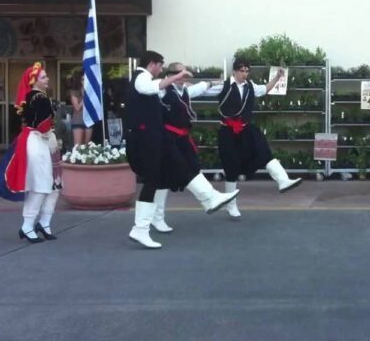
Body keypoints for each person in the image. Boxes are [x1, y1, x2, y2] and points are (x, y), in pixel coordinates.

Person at [126, 51, 239, 249]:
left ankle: (142, 228)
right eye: (160, 66)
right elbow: (151, 87)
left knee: (162, 177)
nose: (161, 70)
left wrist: (213, 83)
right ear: (152, 64)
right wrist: (177, 76)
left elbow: (193, 89)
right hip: (146, 139)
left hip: (153, 137)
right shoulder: (142, 77)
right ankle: (208, 198)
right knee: (164, 175)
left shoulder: (152, 80)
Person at [216, 58, 302, 218]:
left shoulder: (250, 86)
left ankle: (283, 180)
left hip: (245, 129)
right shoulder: (224, 86)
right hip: (227, 131)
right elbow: (199, 91)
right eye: (242, 71)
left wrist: (277, 78)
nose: (245, 74)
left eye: (247, 71)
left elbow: (265, 89)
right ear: (234, 71)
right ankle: (231, 205)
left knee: (263, 151)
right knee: (231, 166)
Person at [150, 62, 225, 232]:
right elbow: (156, 87)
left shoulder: (184, 91)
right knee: (177, 172)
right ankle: (209, 197)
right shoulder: (162, 90)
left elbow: (198, 88)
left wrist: (213, 83)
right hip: (167, 138)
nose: (183, 77)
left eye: (184, 74)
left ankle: (209, 200)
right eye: (180, 74)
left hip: (182, 138)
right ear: (171, 75)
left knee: (189, 168)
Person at [0, 62, 62, 243]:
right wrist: (51, 135)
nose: (47, 79)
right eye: (44, 77)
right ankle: (28, 225)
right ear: (34, 81)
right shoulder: (40, 98)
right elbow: (43, 125)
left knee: (51, 185)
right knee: (42, 185)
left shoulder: (32, 96)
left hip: (38, 141)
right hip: (40, 141)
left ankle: (43, 224)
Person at [69, 70, 93, 146]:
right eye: (83, 79)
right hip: (78, 120)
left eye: (86, 79)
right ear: (79, 80)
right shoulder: (74, 92)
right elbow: (77, 107)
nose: (85, 81)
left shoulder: (91, 91)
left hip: (88, 119)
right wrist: (84, 96)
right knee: (77, 146)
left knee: (87, 145)